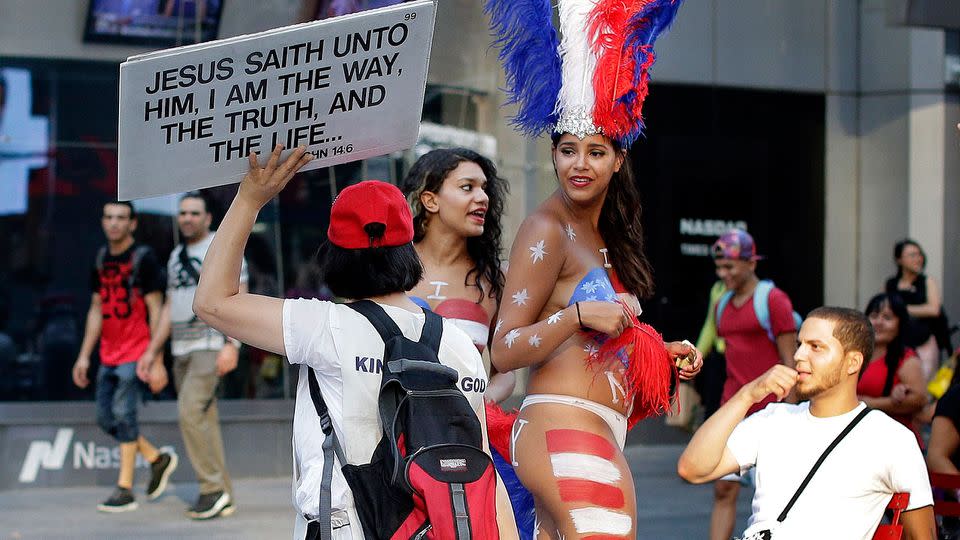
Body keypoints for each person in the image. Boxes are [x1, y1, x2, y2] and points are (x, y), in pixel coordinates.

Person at [191, 145, 518, 539]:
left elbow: (211, 302)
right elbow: (481, 466)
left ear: (334, 257)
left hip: (344, 526)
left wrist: (249, 199)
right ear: (407, 250)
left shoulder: (323, 326)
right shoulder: (458, 343)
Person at [678, 307, 936, 540]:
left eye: (816, 347)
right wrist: (747, 394)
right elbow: (693, 468)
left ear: (852, 362)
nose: (799, 355)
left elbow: (922, 535)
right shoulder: (774, 419)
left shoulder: (890, 439)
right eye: (800, 344)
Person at [142, 191, 245, 519]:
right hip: (180, 349)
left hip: (209, 344)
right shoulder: (174, 256)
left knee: (189, 412)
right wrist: (153, 351)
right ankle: (223, 494)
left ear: (207, 218)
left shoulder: (221, 246)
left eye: (193, 213)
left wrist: (233, 344)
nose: (187, 218)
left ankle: (211, 489)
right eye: (182, 213)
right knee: (203, 419)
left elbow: (237, 296)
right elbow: (170, 307)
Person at [71, 201, 177, 512]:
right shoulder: (102, 257)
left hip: (137, 351)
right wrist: (83, 356)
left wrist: (155, 358)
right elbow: (96, 308)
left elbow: (157, 309)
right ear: (103, 222)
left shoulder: (143, 258)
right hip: (108, 353)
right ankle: (157, 459)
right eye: (109, 217)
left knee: (124, 413)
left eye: (121, 218)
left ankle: (125, 488)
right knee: (105, 418)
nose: (114, 223)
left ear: (132, 224)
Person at [400, 147, 515, 403]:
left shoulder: (495, 280)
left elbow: (505, 372)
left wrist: (481, 403)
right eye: (467, 187)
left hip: (461, 433)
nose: (483, 197)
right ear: (431, 201)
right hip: (389, 430)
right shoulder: (389, 267)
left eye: (484, 188)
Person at [709, 228, 798, 540]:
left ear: (751, 263)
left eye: (730, 266)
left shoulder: (774, 300)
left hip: (772, 412)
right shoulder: (721, 304)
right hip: (734, 409)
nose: (723, 274)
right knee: (723, 489)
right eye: (720, 267)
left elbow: (791, 361)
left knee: (772, 497)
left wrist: (791, 415)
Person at [858, 292, 926, 442]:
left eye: (887, 317)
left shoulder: (907, 358)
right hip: (861, 439)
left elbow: (919, 400)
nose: (879, 322)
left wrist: (869, 404)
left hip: (895, 442)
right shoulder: (855, 354)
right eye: (874, 315)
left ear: (900, 324)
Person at [885, 238, 950, 379]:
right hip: (898, 342)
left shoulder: (927, 281)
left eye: (919, 254)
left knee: (924, 380)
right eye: (912, 255)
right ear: (899, 259)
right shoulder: (891, 284)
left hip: (923, 341)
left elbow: (934, 309)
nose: (918, 258)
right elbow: (885, 309)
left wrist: (902, 309)